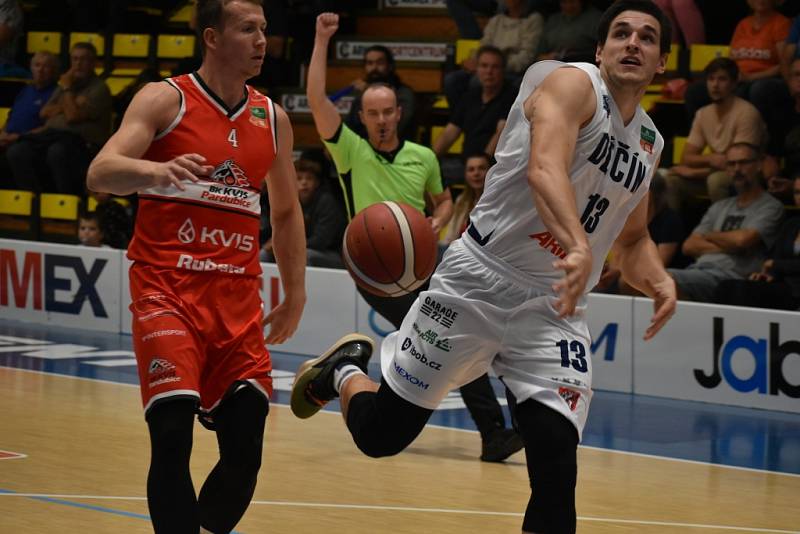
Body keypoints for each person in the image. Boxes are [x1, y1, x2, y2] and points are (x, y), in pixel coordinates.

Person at [292, 2, 677, 531]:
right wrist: (577, 244)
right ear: (600, 50)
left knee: (556, 466)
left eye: (648, 38)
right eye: (621, 33)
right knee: (382, 437)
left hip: (552, 305)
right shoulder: (572, 86)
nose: (633, 43)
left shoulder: (649, 144)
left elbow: (632, 240)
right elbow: (545, 168)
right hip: (477, 279)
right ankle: (344, 372)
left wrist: (657, 279)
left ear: (662, 64)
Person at [85, 1, 306, 533]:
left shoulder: (270, 117)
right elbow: (100, 173)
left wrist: (295, 292)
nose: (261, 40)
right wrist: (154, 172)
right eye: (248, 29)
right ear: (212, 36)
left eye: (264, 30)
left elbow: (286, 209)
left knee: (245, 453)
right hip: (167, 292)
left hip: (237, 302)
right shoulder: (166, 99)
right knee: (172, 435)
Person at [306, 13, 523, 463]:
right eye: (373, 113)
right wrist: (322, 39)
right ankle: (490, 431)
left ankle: (488, 429)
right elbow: (314, 98)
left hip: (424, 262)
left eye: (388, 112)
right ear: (361, 117)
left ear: (399, 113)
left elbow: (442, 201)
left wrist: (436, 221)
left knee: (452, 337)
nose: (382, 119)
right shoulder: (350, 150)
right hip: (376, 273)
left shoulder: (423, 156)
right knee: (446, 336)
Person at [670, 143, 784, 302]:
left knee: (660, 280)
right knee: (642, 279)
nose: (737, 169)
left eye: (744, 162)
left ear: (758, 164)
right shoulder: (719, 206)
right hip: (697, 271)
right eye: (731, 164)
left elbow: (742, 241)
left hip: (731, 277)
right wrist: (732, 245)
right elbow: (689, 246)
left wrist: (709, 236)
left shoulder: (771, 206)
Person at [6, 42, 112, 194]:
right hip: (52, 136)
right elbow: (44, 112)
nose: (78, 64)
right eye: (75, 59)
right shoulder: (64, 85)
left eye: (83, 59)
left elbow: (72, 117)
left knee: (57, 152)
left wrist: (67, 91)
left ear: (93, 62)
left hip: (83, 142)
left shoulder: (99, 88)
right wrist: (70, 104)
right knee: (17, 151)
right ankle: (35, 200)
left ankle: (65, 200)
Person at [664, 57, 767, 209]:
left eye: (722, 79)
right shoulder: (703, 114)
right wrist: (712, 159)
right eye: (711, 79)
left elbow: (739, 163)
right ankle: (672, 232)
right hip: (715, 173)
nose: (715, 85)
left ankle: (721, 229)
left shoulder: (747, 113)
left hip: (746, 177)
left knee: (716, 180)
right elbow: (686, 157)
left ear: (733, 83)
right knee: (669, 180)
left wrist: (694, 173)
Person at [714, 173, 800, 310]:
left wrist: (776, 265)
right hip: (786, 286)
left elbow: (774, 262)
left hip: (796, 289)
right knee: (727, 287)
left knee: (742, 291)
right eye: (797, 192)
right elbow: (773, 259)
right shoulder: (792, 225)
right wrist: (767, 275)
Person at [261, 158, 347, 268]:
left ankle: (303, 285)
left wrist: (287, 246)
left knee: (305, 255)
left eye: (309, 179)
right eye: (299, 178)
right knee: (265, 254)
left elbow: (320, 242)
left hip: (332, 254)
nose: (304, 182)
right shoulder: (288, 202)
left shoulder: (326, 202)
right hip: (297, 248)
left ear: (316, 183)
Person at [437, 45, 516, 160]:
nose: (489, 71)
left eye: (495, 67)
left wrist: (483, 162)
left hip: (494, 167)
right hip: (466, 165)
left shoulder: (512, 97)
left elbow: (501, 133)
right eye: (484, 66)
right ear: (477, 69)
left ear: (503, 70)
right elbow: (449, 133)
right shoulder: (469, 96)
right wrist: (429, 161)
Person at [343, 45, 416, 141]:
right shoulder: (363, 95)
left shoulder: (404, 93)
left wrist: (368, 89)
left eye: (380, 63)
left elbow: (398, 128)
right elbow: (350, 124)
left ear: (390, 66)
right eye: (370, 63)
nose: (374, 68)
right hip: (362, 149)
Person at [441, 152, 489, 246]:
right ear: (465, 175)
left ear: (491, 171)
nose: (476, 173)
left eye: (481, 168)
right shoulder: (461, 200)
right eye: (471, 170)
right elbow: (450, 237)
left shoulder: (497, 201)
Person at [535, 0, 603, 62]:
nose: (568, 6)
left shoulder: (595, 19)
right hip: (553, 66)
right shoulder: (553, 20)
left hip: (584, 65)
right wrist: (548, 57)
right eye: (564, 2)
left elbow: (603, 50)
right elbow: (539, 56)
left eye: (572, 1)